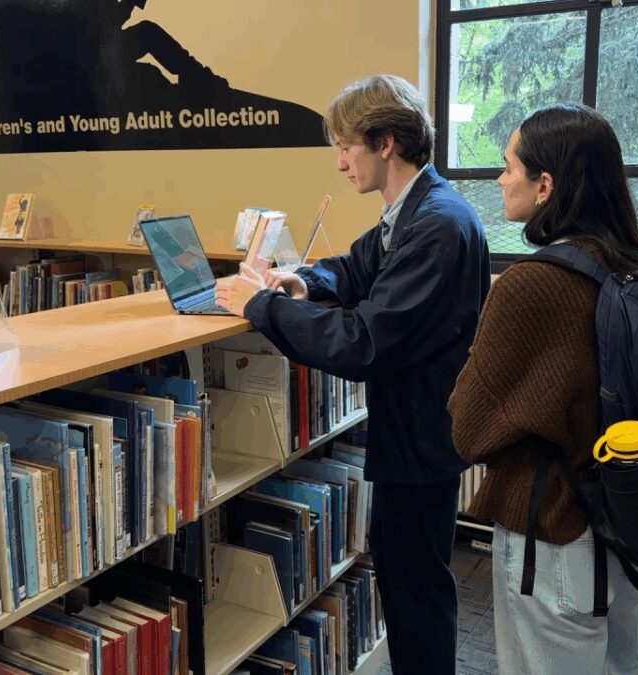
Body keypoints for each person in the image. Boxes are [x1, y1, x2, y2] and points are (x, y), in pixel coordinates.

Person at [215, 74, 490, 675]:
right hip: (415, 433)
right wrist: (303, 281)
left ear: (385, 143)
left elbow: (364, 342)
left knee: (416, 592)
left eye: (345, 147)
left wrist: (260, 306)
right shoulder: (417, 208)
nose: (340, 163)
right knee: (405, 577)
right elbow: (357, 265)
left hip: (422, 440)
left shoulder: (437, 224)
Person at [447, 103, 638, 674]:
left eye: (508, 166)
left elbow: (468, 430)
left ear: (545, 185)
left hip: (555, 533)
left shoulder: (532, 286)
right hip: (629, 524)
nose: (499, 179)